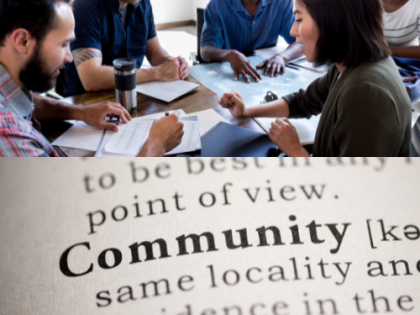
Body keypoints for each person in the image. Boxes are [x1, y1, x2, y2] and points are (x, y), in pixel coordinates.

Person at [219, 0, 412, 157]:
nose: (293, 31)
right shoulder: (349, 63)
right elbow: (304, 102)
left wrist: (296, 151)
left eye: (300, 19)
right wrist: (246, 111)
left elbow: (351, 194)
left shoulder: (365, 93)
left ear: (334, 21)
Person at [0, 0, 184, 157]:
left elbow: (29, 101)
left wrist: (79, 112)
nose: (69, 57)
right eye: (64, 44)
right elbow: (86, 200)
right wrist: (154, 147)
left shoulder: (11, 89)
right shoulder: (9, 133)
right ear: (23, 41)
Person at [56, 0, 190, 97]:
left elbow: (154, 51)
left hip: (130, 95)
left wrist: (172, 62)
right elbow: (91, 78)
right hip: (85, 102)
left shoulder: (144, 4)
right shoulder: (85, 6)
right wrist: (157, 72)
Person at [200, 0, 303, 83]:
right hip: (230, 76)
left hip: (266, 76)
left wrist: (282, 57)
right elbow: (205, 50)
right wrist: (229, 54)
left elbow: (301, 41)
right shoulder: (217, 4)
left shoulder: (282, 2)